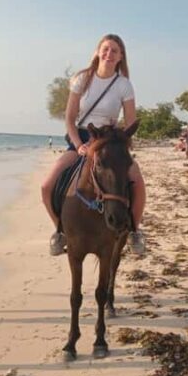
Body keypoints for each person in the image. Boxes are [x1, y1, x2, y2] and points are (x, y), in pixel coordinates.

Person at [40, 34, 146, 256]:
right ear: (98, 51)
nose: (109, 54)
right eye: (105, 49)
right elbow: (69, 119)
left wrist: (119, 145)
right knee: (47, 186)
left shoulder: (124, 85)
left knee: (137, 182)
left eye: (114, 51)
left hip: (109, 141)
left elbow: (130, 123)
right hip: (82, 137)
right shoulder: (82, 79)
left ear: (120, 57)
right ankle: (60, 231)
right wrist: (79, 145)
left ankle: (135, 231)